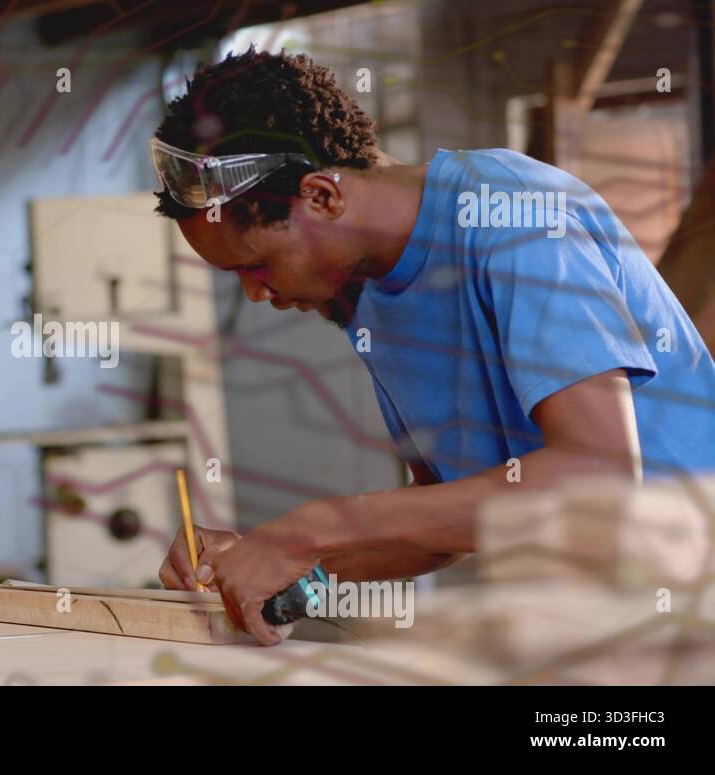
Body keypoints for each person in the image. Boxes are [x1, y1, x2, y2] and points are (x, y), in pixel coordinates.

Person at [151, 49, 715, 644]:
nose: (257, 294)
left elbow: (596, 476)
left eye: (258, 265)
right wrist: (284, 573)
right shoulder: (367, 296)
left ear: (321, 196)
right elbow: (444, 518)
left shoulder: (514, 214)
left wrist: (313, 530)